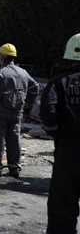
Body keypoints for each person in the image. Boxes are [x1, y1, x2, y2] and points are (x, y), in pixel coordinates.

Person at [39, 33, 80, 234]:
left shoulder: (59, 82)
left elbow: (48, 115)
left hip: (69, 152)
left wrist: (58, 135)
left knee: (62, 208)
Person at [0, 43, 39, 178]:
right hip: (17, 111)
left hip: (0, 110)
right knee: (14, 137)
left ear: (2, 56)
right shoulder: (23, 73)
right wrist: (27, 103)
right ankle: (14, 168)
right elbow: (35, 87)